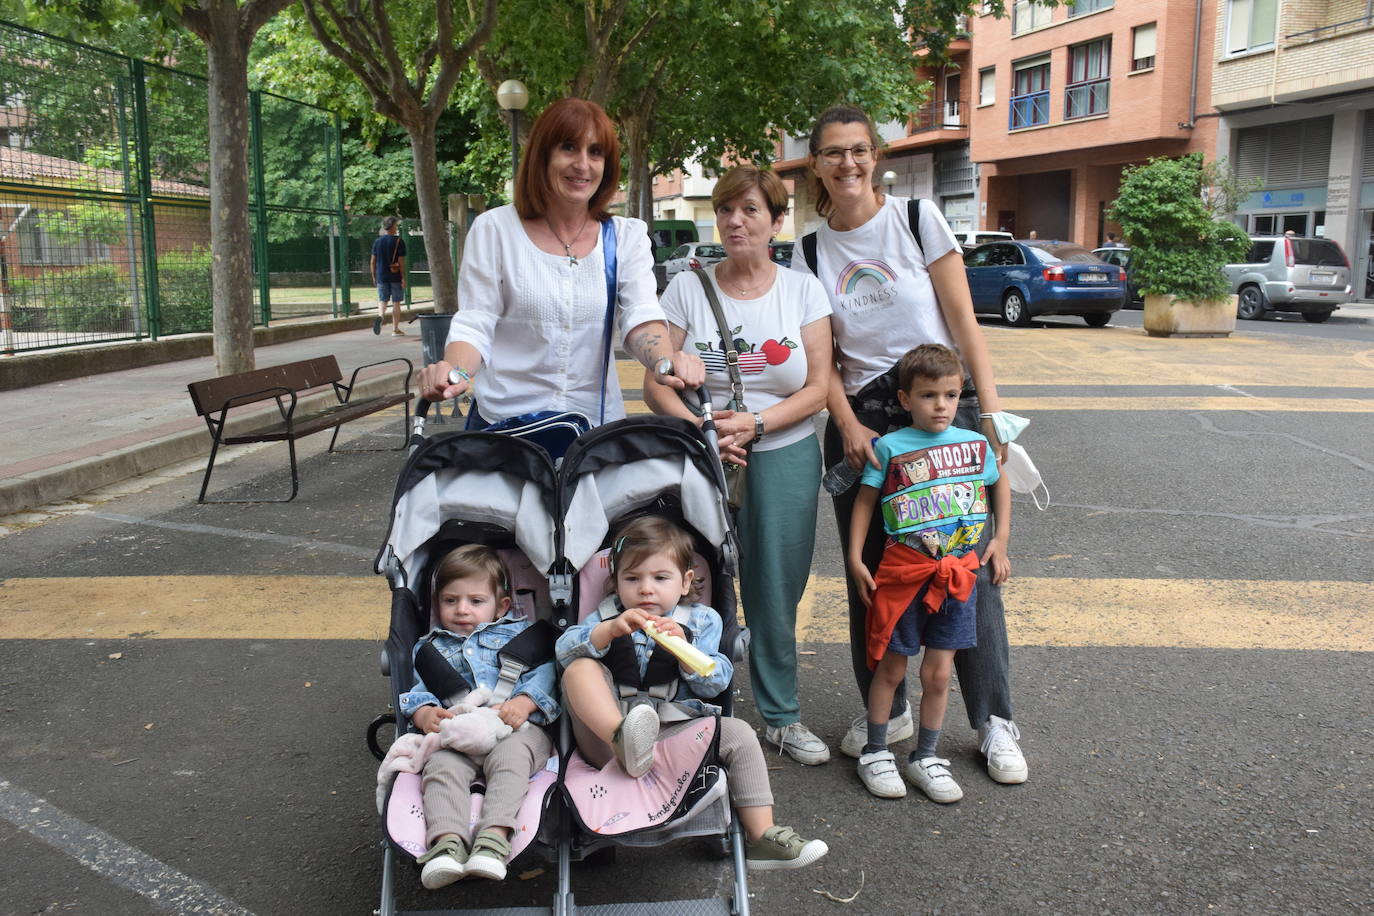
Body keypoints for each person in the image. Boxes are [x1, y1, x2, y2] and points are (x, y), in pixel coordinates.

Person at [791, 104, 1028, 785]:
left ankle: (993, 723)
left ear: (877, 156)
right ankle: (888, 709)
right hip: (865, 420)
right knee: (874, 570)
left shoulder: (916, 219)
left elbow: (963, 320)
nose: (848, 163)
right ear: (816, 164)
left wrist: (991, 412)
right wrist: (849, 424)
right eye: (833, 152)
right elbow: (823, 358)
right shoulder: (809, 249)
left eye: (859, 150)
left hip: (941, 412)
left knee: (966, 568)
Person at [642, 164, 834, 766]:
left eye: (750, 210)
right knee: (693, 580)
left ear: (777, 221)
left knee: (775, 588)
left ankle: (780, 716)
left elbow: (821, 385)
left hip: (783, 453)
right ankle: (691, 708)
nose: (734, 220)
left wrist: (757, 424)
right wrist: (699, 431)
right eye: (726, 209)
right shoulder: (686, 289)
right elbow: (656, 384)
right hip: (701, 459)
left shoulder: (802, 290)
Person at [556, 516, 830, 871]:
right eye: (632, 579)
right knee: (578, 668)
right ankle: (624, 737)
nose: (645, 590)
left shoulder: (702, 621)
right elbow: (563, 651)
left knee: (740, 734)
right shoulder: (605, 617)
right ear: (615, 583)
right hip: (606, 738)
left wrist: (687, 653)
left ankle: (761, 836)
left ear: (686, 581)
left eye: (660, 578)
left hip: (672, 735)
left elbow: (716, 683)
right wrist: (606, 633)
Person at [415, 98, 703, 425]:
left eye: (595, 152)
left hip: (591, 429)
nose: (583, 164)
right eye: (569, 147)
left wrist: (666, 361)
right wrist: (456, 372)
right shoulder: (495, 230)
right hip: (505, 429)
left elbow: (641, 314)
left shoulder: (625, 236)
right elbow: (476, 321)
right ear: (542, 156)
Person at [847, 344, 1010, 803]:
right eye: (928, 395)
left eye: (951, 395)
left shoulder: (976, 445)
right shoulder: (890, 447)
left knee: (938, 675)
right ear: (904, 400)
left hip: (957, 575)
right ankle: (876, 752)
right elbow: (864, 503)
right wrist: (855, 558)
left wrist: (1000, 541)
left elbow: (1000, 487)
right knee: (891, 667)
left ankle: (926, 756)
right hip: (903, 575)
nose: (941, 405)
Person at [399, 545, 559, 889]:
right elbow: (418, 688)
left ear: (501, 606)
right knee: (440, 767)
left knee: (511, 759)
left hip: (516, 727)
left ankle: (493, 838)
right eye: (450, 600)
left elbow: (548, 671)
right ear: (436, 602)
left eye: (475, 601)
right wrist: (424, 711)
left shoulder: (521, 634)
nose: (461, 610)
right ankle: (446, 844)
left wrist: (527, 701)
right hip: (457, 732)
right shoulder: (428, 648)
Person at [371, 216, 406, 336]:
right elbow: (401, 261)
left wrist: (374, 276)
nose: (397, 227)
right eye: (396, 225)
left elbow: (373, 261)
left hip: (381, 275)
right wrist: (403, 277)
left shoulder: (377, 242)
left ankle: (380, 316)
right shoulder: (398, 241)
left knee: (383, 300)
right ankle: (395, 329)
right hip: (395, 275)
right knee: (396, 302)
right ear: (392, 227)